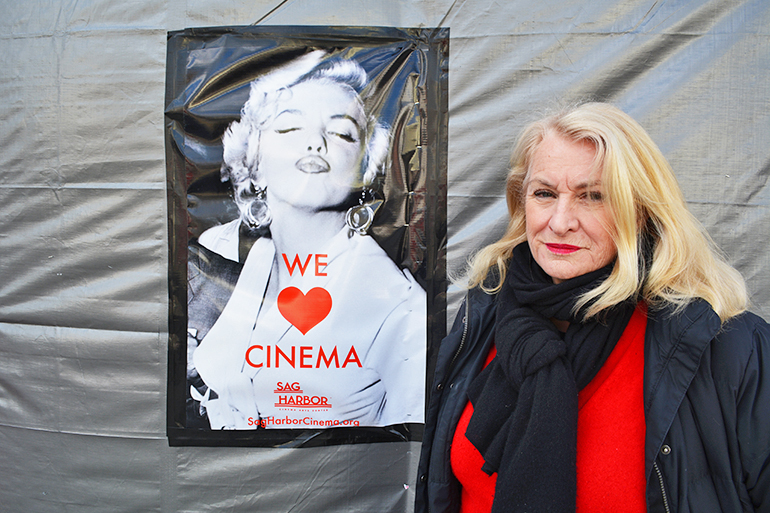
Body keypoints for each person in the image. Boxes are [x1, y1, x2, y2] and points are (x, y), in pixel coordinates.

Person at [415, 102, 770, 512]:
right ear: (521, 202)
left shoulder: (729, 349)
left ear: (639, 213)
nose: (560, 221)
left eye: (593, 197)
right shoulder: (483, 315)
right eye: (544, 194)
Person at [187, 53, 426, 430]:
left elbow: (410, 459)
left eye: (342, 133)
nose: (315, 142)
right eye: (289, 129)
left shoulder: (400, 307)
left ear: (365, 169)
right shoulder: (215, 255)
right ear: (254, 159)